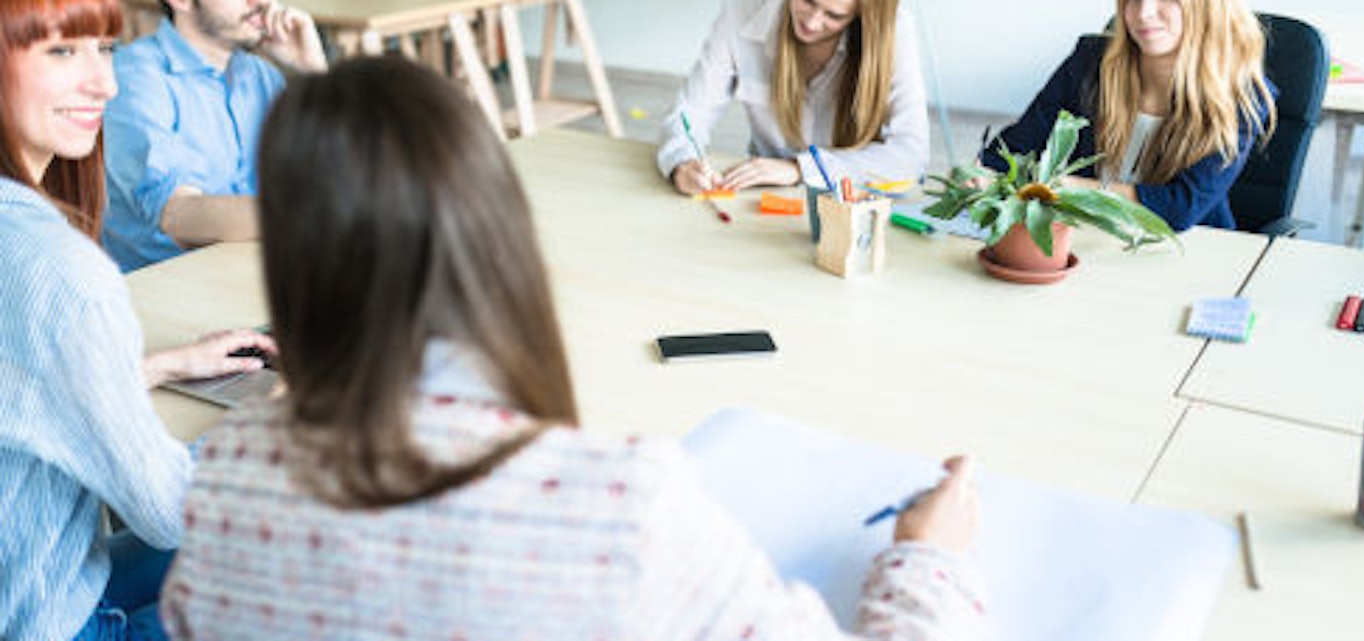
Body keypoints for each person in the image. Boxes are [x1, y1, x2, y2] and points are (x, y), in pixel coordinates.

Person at [161, 56, 987, 640]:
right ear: (501, 229)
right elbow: (684, 117)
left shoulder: (224, 473)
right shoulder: (622, 504)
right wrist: (926, 560)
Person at [0, 0, 277, 638]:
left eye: (104, 49)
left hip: (34, 575)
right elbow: (174, 512)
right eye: (63, 51)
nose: (106, 82)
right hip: (51, 616)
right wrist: (276, 415)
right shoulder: (66, 275)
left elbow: (22, 384)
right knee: (298, 550)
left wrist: (152, 367)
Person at [980, 0, 1275, 231]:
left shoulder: (1240, 98)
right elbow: (1010, 151)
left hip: (1186, 253)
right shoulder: (1089, 63)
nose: (1143, 13)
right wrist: (984, 177)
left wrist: (1067, 189)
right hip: (1082, 240)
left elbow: (1180, 208)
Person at [100, 0, 327, 271]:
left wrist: (315, 73)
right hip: (168, 287)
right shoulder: (136, 77)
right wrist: (308, 215)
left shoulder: (260, 75)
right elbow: (178, 215)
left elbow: (333, 172)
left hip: (249, 272)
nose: (261, 3)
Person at [658, 0, 928, 195]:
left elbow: (911, 156)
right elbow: (690, 112)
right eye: (807, 1)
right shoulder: (741, 10)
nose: (811, 23)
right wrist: (683, 162)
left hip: (853, 201)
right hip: (761, 196)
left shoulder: (894, 30)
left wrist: (800, 169)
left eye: (834, 15)